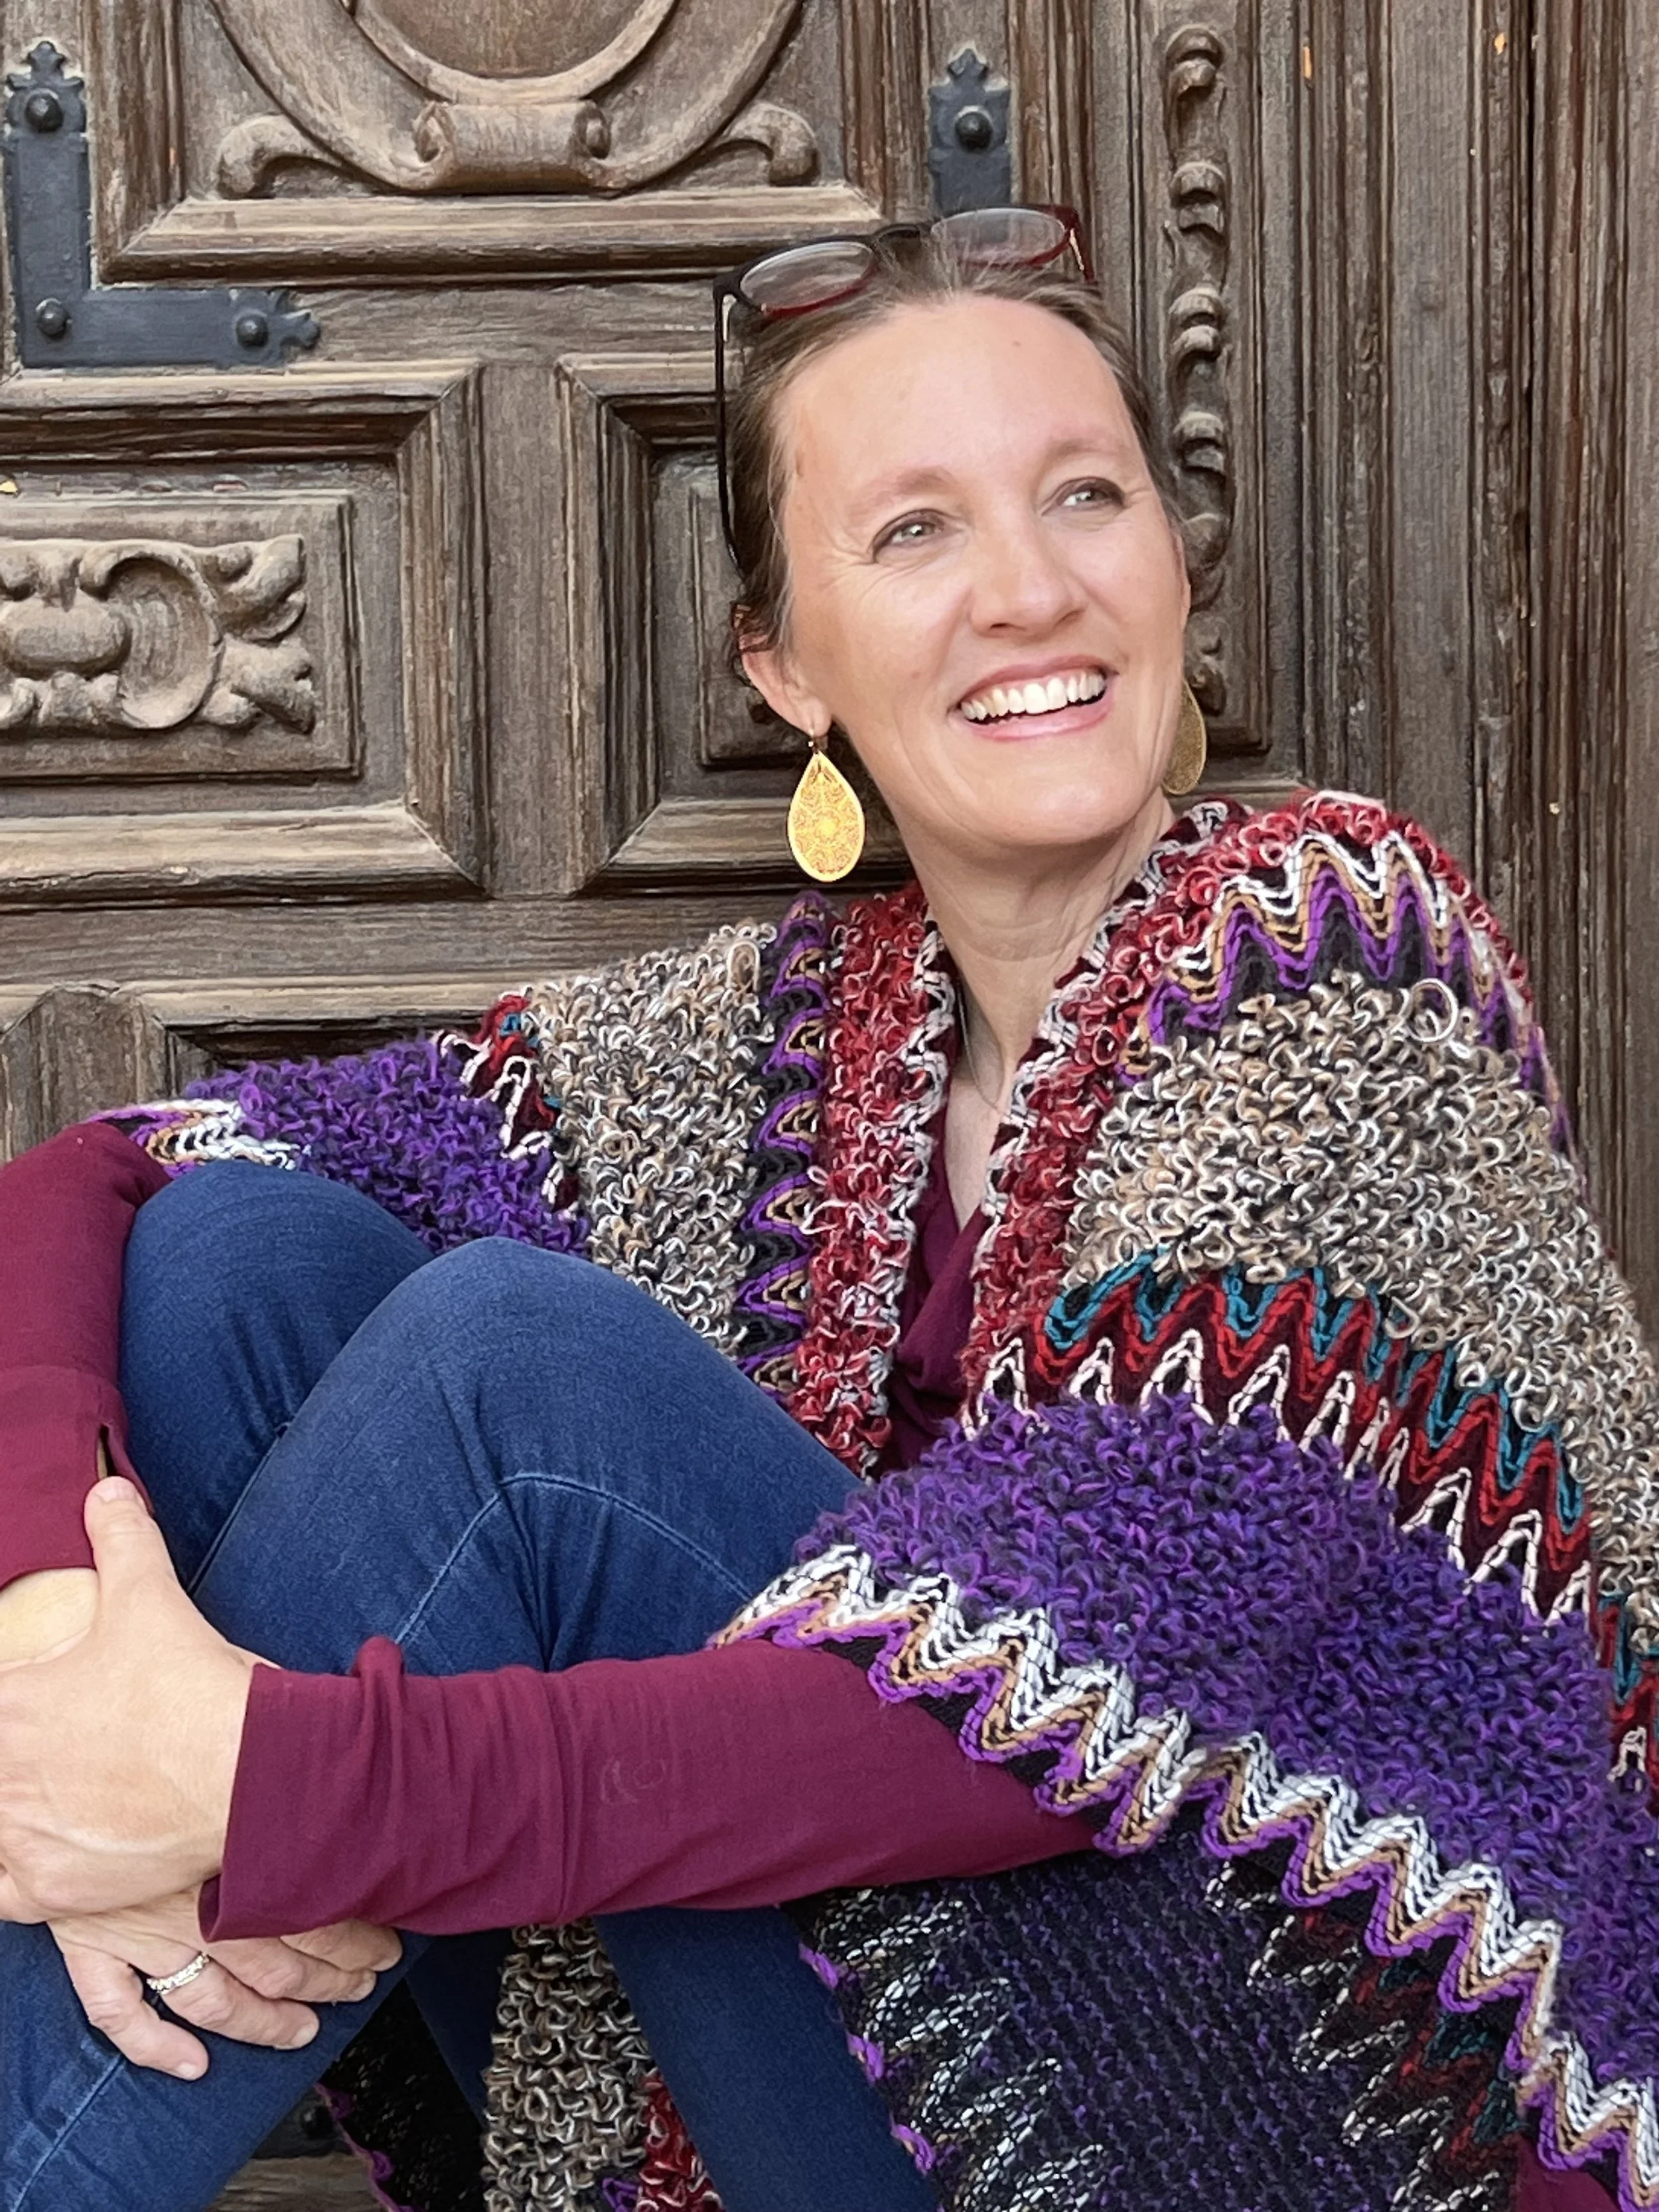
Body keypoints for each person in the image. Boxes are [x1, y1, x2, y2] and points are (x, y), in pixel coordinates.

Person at [0, 209, 1650, 2212]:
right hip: (900, 2061)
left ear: (1171, 565)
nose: (1030, 589)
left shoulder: (1328, 966)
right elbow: (101, 1173)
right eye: (915, 532)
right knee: (233, 1272)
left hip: (1308, 2113)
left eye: (1083, 498)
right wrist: (66, 1675)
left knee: (511, 1374)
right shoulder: (785, 1033)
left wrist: (261, 1791)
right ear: (785, 660)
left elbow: (1030, 1719)